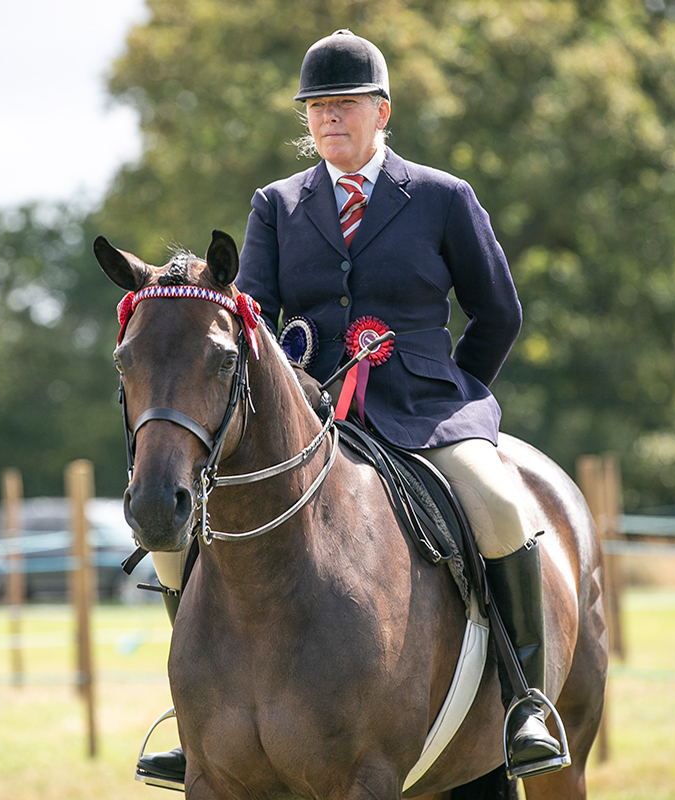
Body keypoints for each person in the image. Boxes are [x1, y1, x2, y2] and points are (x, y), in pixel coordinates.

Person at [137, 29, 564, 790]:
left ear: (381, 111)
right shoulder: (277, 205)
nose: (329, 119)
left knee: (500, 505)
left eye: (344, 105)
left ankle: (525, 704)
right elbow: (255, 322)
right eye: (317, 108)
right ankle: (198, 714)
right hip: (310, 414)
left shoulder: (441, 197)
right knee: (180, 535)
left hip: (426, 411)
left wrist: (453, 389)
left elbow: (497, 313)